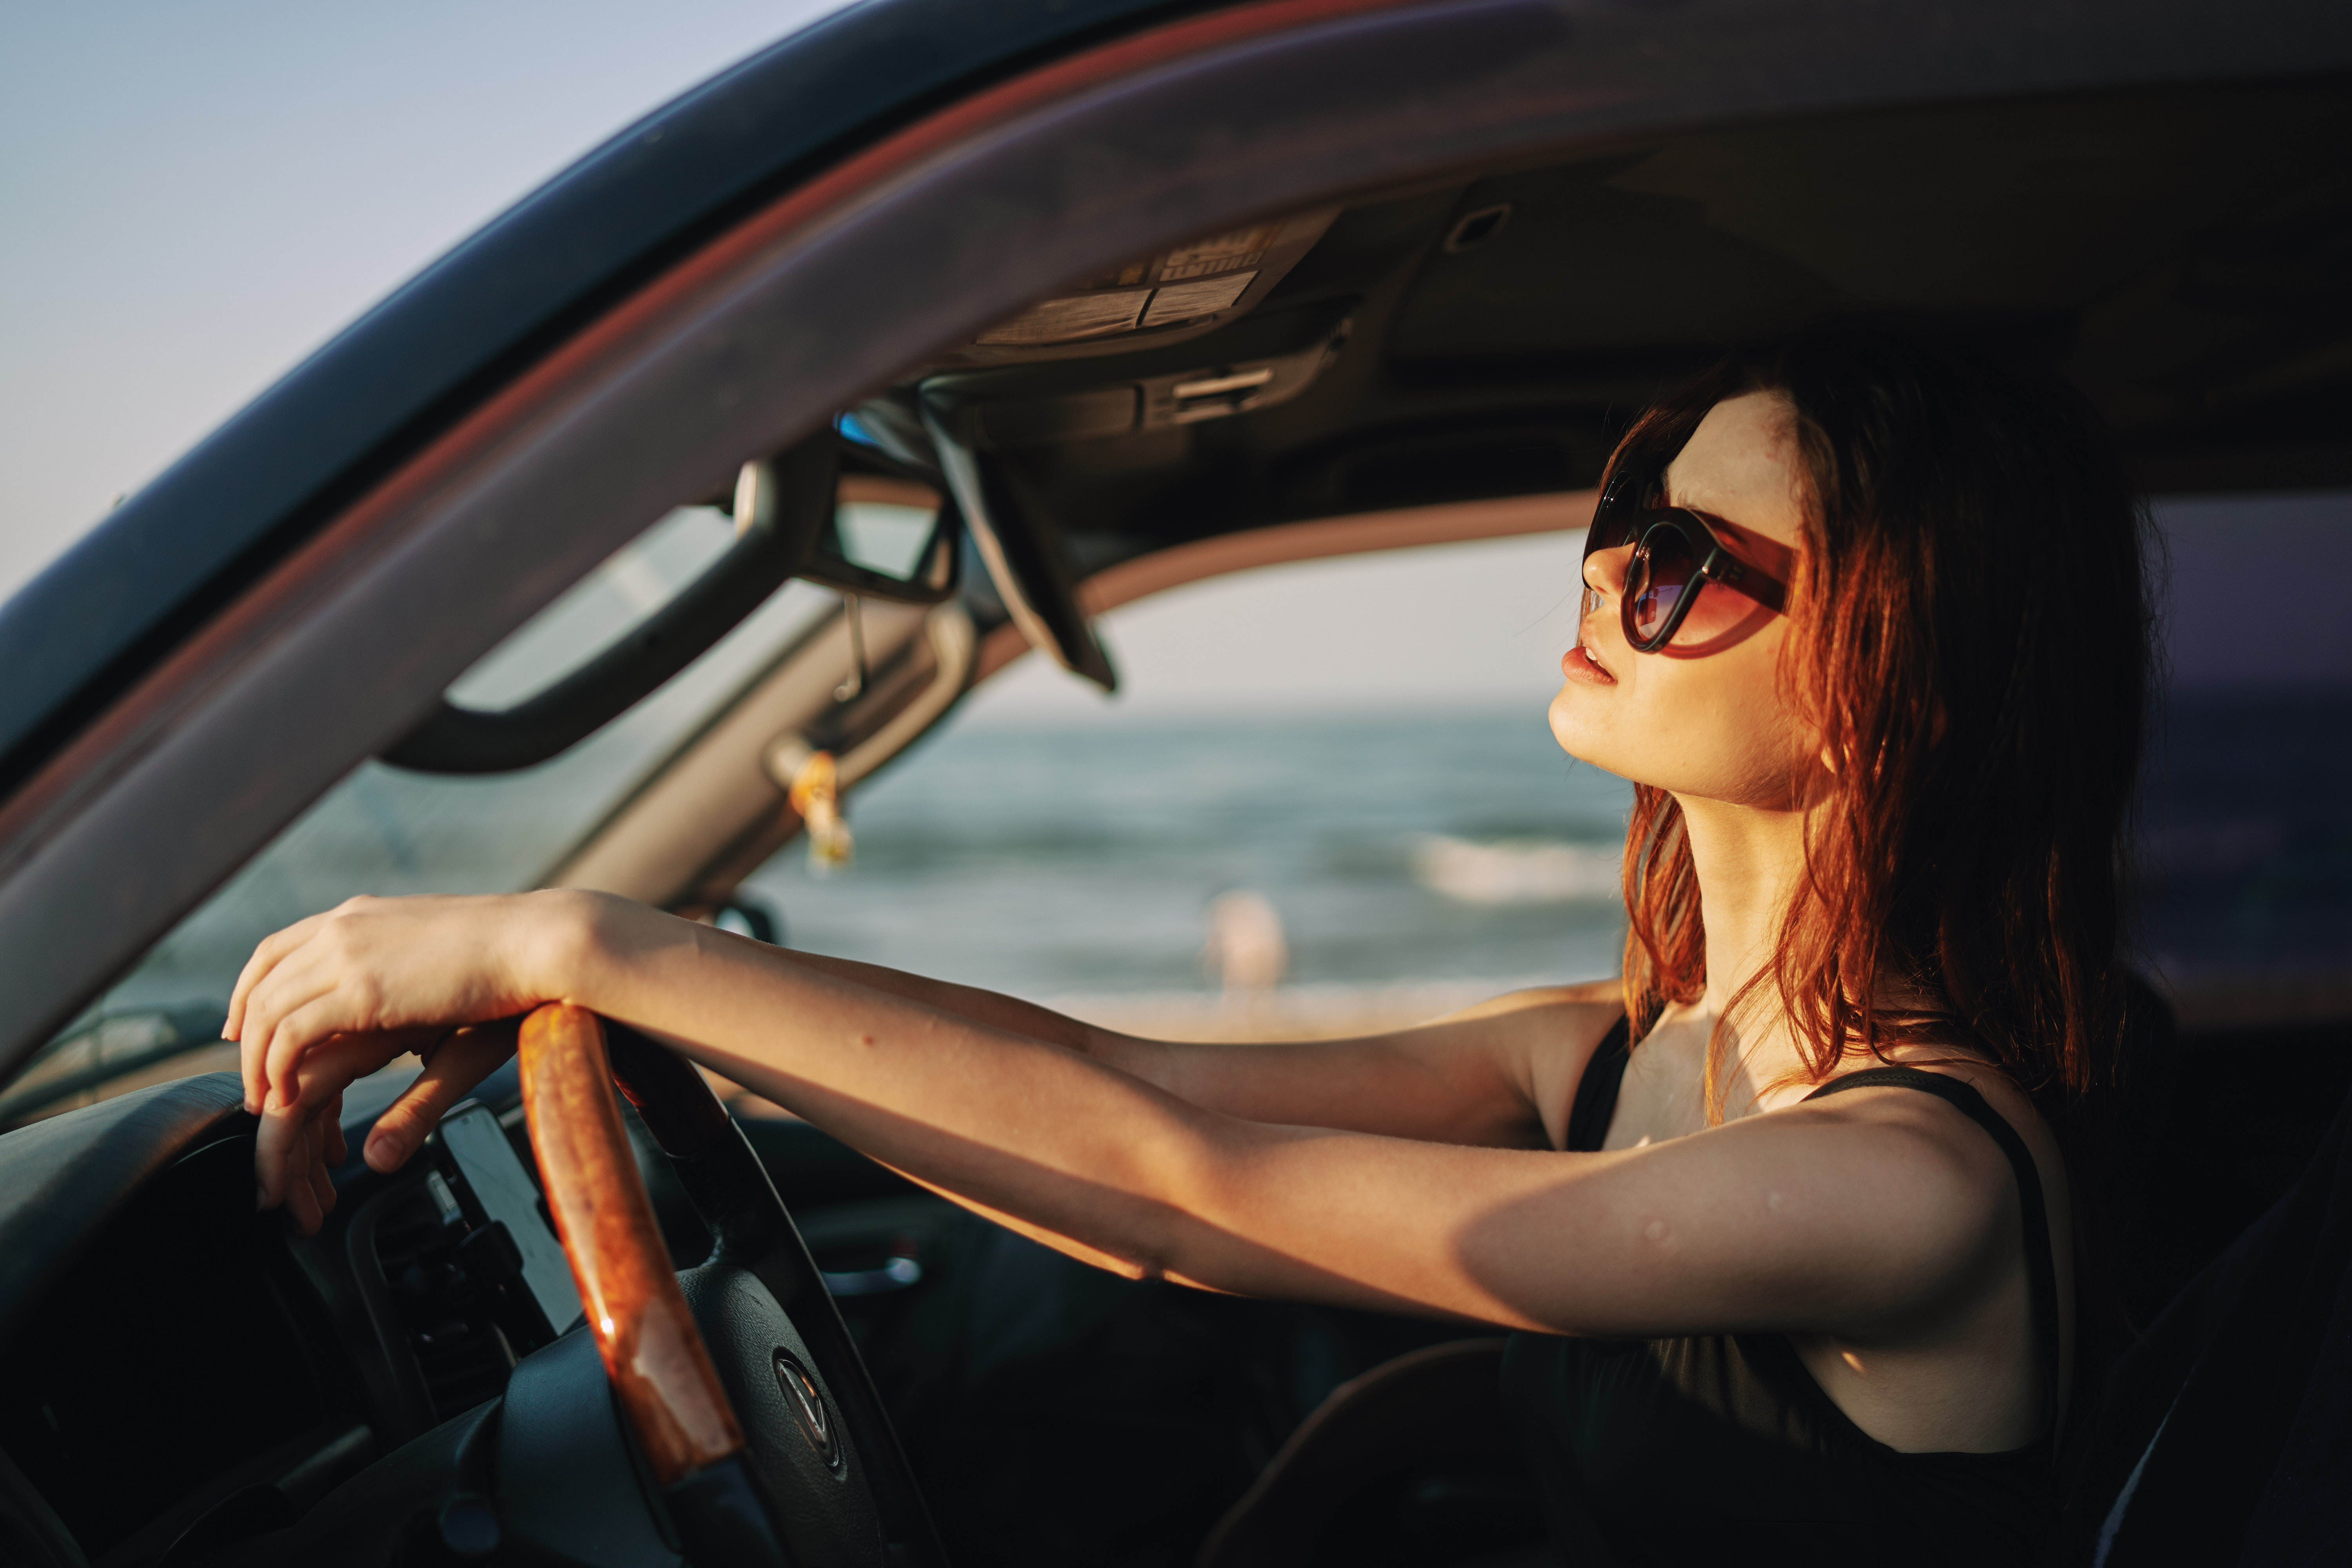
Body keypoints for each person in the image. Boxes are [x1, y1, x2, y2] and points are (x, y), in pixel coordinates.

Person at [228, 329, 2152, 1564]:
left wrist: (574, 929)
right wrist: (653, 1002)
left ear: (1901, 695)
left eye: (1683, 567)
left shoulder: (1904, 1186)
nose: (1599, 573)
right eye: (1621, 518)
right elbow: (1133, 1098)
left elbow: (1183, 1188)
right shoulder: (1624, 1054)